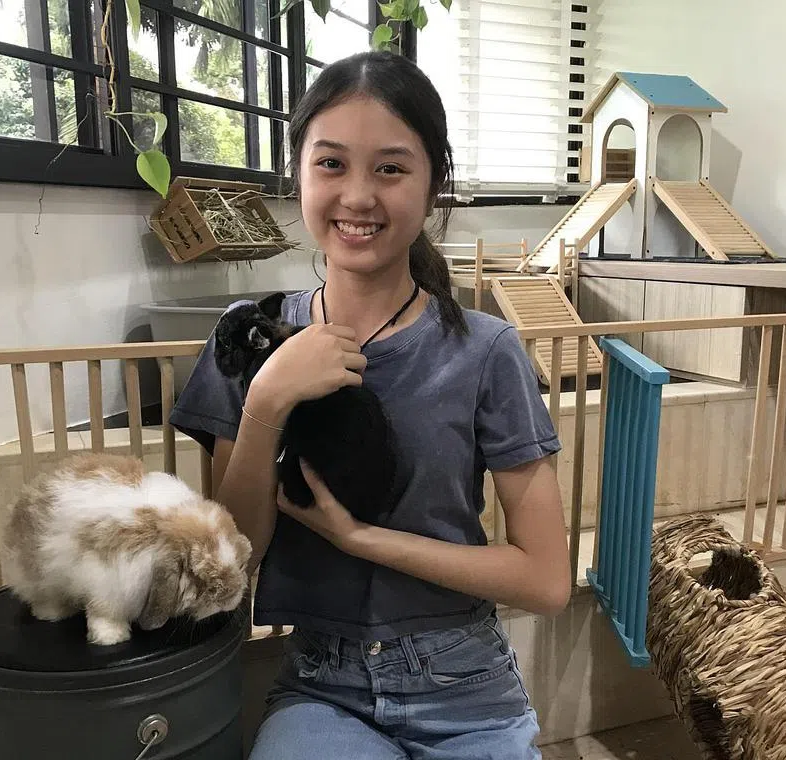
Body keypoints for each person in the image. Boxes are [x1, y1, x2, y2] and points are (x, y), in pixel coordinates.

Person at [170, 50, 571, 760]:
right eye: (331, 164)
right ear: (296, 173)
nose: (358, 195)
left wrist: (358, 539)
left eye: (390, 168)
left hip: (465, 686)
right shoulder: (249, 337)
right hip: (325, 687)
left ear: (432, 184)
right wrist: (267, 398)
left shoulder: (485, 351)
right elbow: (232, 560)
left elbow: (545, 580)